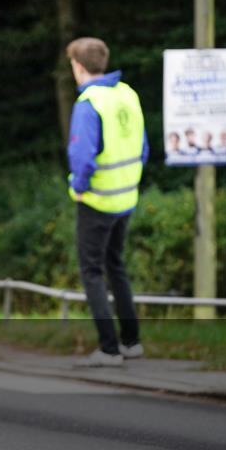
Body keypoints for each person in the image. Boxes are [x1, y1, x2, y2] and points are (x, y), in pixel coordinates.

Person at [66, 37, 148, 367]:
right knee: (116, 266)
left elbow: (81, 157)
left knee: (92, 271)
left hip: (97, 200)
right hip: (126, 197)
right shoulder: (127, 93)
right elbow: (143, 147)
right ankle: (132, 341)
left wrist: (81, 187)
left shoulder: (89, 102)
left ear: (79, 66)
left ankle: (109, 349)